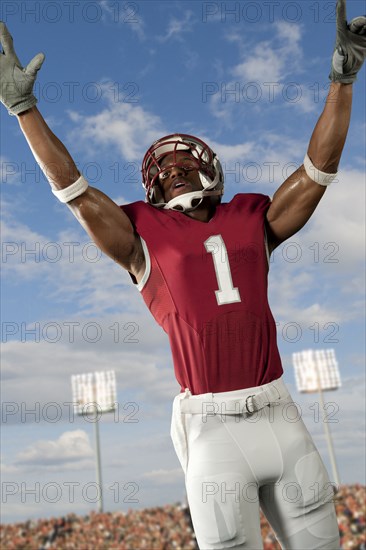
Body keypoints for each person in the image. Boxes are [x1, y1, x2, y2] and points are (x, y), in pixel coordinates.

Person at [0, 1, 365, 548]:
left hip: (280, 411)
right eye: (163, 168)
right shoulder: (139, 234)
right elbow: (74, 192)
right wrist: (25, 110)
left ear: (212, 168)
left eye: (183, 161)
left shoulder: (252, 218)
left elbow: (318, 171)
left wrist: (342, 80)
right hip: (212, 427)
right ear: (151, 188)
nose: (173, 169)